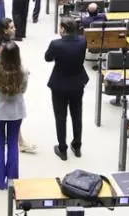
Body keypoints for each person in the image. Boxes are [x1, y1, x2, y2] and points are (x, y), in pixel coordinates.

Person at [45, 17, 88, 160]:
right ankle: (77, 146)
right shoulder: (82, 41)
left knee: (60, 116)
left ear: (63, 29)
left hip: (59, 84)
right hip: (77, 82)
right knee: (77, 115)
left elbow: (47, 58)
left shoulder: (56, 44)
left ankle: (62, 149)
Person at [0, 41, 28, 190]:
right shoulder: (23, 71)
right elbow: (23, 90)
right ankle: (12, 180)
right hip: (16, 111)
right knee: (13, 143)